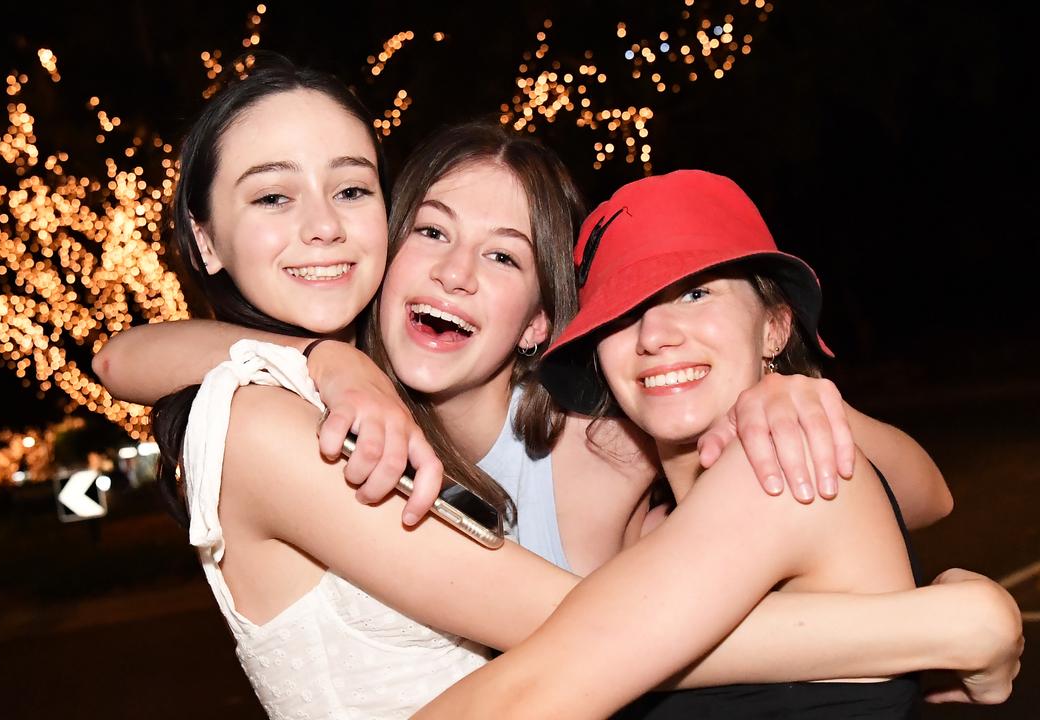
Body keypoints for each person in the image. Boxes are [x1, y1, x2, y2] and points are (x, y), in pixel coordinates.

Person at [95, 64, 1020, 717]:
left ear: (543, 323)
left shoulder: (589, 437)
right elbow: (120, 356)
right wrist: (933, 628)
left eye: (502, 256)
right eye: (433, 233)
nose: (456, 273)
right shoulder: (310, 419)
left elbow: (916, 493)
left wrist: (785, 395)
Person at [414, 169, 1025, 718]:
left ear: (776, 327)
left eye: (696, 293)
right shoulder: (664, 528)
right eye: (622, 314)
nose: (654, 334)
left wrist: (802, 391)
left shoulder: (772, 480)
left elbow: (526, 699)